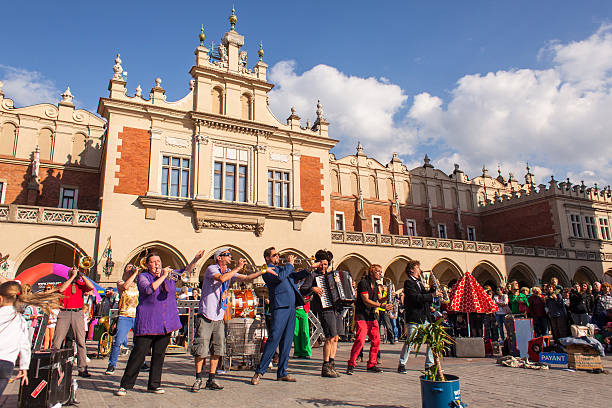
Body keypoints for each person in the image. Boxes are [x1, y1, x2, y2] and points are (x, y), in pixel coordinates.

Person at [116, 251, 198, 396]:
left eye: (158, 262)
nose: (157, 264)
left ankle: (154, 384)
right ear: (147, 265)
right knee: (139, 354)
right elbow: (149, 289)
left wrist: (196, 259)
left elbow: (186, 271)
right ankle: (126, 385)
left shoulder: (170, 275)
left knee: (159, 354)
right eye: (153, 262)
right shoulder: (143, 277)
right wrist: (164, 276)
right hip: (148, 322)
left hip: (165, 322)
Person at [191, 248, 270, 392]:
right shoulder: (211, 269)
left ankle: (211, 379)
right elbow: (222, 279)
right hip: (207, 316)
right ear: (219, 258)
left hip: (219, 316)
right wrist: (237, 268)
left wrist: (263, 271)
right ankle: (198, 378)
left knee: (217, 349)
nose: (230, 257)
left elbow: (246, 278)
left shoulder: (229, 271)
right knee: (201, 349)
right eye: (227, 255)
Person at [251, 248, 311, 385]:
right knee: (274, 339)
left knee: (287, 341)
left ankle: (282, 372)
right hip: (280, 307)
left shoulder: (283, 269)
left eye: (277, 254)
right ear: (267, 258)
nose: (277, 256)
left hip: (291, 307)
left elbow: (295, 276)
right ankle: (259, 371)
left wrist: (309, 269)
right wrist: (289, 265)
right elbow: (280, 278)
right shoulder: (267, 269)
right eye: (274, 255)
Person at [0, 280, 62, 397]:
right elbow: (25, 345)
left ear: (0, 299)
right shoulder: (20, 319)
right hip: (7, 365)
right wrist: (24, 367)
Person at [299, 250, 344, 377]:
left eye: (325, 264)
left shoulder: (333, 275)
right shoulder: (313, 276)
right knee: (329, 337)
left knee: (335, 337)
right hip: (325, 308)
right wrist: (313, 288)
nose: (323, 267)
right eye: (321, 264)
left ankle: (332, 363)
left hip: (336, 308)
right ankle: (325, 366)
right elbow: (303, 289)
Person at [346, 264, 391, 375]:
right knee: (360, 340)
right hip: (362, 315)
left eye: (381, 272)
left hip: (371, 316)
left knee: (376, 340)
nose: (380, 273)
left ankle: (371, 364)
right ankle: (351, 364)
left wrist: (387, 297)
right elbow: (366, 300)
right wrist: (381, 306)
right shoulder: (363, 283)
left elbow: (379, 299)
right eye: (378, 271)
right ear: (372, 272)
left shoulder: (376, 285)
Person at [397, 260, 441, 374]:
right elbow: (416, 298)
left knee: (432, 339)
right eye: (417, 267)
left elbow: (424, 296)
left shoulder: (420, 282)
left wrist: (433, 288)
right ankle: (402, 363)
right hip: (415, 317)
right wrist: (432, 295)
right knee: (410, 341)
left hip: (425, 316)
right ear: (411, 270)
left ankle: (429, 364)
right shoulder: (408, 283)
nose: (420, 269)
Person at [52, 266, 95, 378]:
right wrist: (72, 277)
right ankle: (53, 365)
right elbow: (61, 290)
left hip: (77, 313)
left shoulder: (81, 285)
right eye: (73, 270)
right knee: (57, 341)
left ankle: (82, 368)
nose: (75, 272)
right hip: (64, 312)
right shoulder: (64, 283)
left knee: (81, 341)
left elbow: (91, 287)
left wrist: (82, 276)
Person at [105, 264, 140, 375]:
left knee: (139, 342)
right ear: (124, 271)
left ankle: (140, 363)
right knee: (118, 341)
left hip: (137, 316)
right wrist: (134, 273)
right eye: (128, 268)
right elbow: (125, 287)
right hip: (125, 316)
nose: (131, 269)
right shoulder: (120, 282)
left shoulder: (138, 284)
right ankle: (112, 364)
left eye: (132, 267)